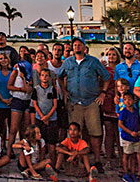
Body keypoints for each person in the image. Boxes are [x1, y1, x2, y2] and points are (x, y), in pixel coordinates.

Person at [58, 36, 110, 174]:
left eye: (79, 45)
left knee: (95, 133)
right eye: (74, 45)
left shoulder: (93, 62)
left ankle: (97, 160)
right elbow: (59, 76)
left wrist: (103, 93)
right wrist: (64, 91)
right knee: (74, 133)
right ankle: (76, 161)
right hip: (74, 102)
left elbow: (106, 77)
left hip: (91, 102)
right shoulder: (68, 62)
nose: (77, 47)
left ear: (84, 47)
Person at [6, 58, 32, 159]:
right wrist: (20, 88)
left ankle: (23, 152)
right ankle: (9, 151)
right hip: (17, 100)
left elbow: (28, 90)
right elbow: (9, 86)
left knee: (24, 129)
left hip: (27, 101)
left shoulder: (30, 74)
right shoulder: (15, 71)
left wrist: (23, 79)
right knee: (13, 129)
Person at [31, 68, 58, 165]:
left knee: (52, 143)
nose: (44, 77)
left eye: (47, 75)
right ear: (39, 77)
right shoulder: (36, 89)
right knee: (40, 142)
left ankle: (53, 164)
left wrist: (48, 116)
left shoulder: (53, 89)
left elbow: (55, 104)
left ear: (50, 77)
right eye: (42, 75)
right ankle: (40, 162)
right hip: (40, 118)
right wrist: (43, 116)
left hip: (52, 119)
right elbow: (35, 104)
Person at [101, 47, 121, 165]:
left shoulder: (121, 68)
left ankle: (121, 158)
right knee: (108, 131)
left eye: (114, 54)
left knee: (118, 132)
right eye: (109, 54)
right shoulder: (104, 70)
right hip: (107, 102)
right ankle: (109, 158)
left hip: (119, 102)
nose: (111, 57)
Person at [118, 92, 140, 182]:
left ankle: (133, 173)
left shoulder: (136, 111)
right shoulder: (123, 112)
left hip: (136, 137)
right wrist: (130, 132)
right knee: (126, 154)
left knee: (134, 155)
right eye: (125, 99)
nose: (128, 101)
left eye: (130, 99)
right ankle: (126, 173)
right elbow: (120, 124)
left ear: (134, 100)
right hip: (127, 137)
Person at [0, 53, 12, 149]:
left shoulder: (12, 71)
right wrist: (2, 99)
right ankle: (1, 145)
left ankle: (10, 147)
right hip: (0, 101)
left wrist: (11, 98)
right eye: (1, 59)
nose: (3, 60)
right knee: (1, 126)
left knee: (11, 126)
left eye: (5, 58)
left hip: (11, 100)